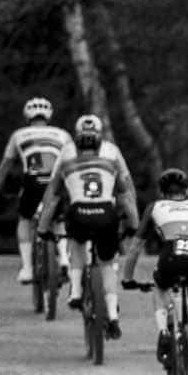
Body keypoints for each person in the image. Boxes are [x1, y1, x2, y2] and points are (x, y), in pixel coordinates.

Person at [36, 116, 137, 336]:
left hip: (78, 212)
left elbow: (52, 196)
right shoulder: (112, 152)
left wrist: (42, 228)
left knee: (76, 245)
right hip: (106, 213)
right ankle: (113, 315)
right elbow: (126, 193)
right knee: (108, 264)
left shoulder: (66, 154)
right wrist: (133, 224)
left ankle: (75, 291)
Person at [0, 99, 76, 288]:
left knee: (25, 219)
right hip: (56, 181)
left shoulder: (19, 135)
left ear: (27, 115)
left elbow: (5, 165)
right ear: (49, 115)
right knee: (59, 219)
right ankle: (64, 258)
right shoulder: (63, 134)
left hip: (32, 182)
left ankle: (28, 268)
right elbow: (74, 161)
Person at [134, 169, 188, 345]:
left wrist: (127, 278)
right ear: (187, 191)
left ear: (162, 193)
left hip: (170, 259)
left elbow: (135, 247)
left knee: (159, 286)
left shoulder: (155, 207)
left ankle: (163, 330)